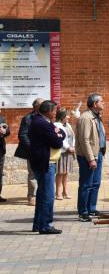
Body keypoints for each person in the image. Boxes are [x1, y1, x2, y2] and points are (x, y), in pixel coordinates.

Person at [29, 100, 65, 234]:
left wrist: (58, 133)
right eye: (55, 110)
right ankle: (46, 225)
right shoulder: (42, 123)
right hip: (45, 163)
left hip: (44, 162)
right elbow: (57, 142)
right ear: (49, 111)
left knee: (42, 194)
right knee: (48, 196)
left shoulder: (43, 121)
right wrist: (58, 135)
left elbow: (62, 133)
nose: (56, 113)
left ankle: (38, 224)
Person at [76, 93, 106, 222]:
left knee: (95, 183)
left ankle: (91, 208)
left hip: (97, 153)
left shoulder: (96, 116)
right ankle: (83, 212)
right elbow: (84, 140)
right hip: (88, 156)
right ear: (95, 104)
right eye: (101, 101)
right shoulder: (86, 118)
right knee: (86, 184)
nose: (104, 103)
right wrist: (91, 159)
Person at [14, 98, 44, 206]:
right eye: (42, 104)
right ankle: (32, 196)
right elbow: (22, 135)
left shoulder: (46, 117)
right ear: (36, 106)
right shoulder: (27, 118)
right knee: (33, 173)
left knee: (43, 173)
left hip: (44, 151)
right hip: (33, 151)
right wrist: (32, 148)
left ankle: (42, 194)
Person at [54, 108, 75, 200]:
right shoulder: (56, 125)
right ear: (62, 116)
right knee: (60, 172)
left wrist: (73, 146)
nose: (69, 117)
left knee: (66, 172)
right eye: (67, 115)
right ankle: (58, 192)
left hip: (69, 152)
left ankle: (65, 191)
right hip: (62, 152)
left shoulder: (68, 125)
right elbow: (59, 139)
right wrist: (67, 147)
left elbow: (72, 137)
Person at [0, 110, 11, 202]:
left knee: (0, 174)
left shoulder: (2, 119)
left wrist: (4, 131)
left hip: (0, 151)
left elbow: (8, 132)